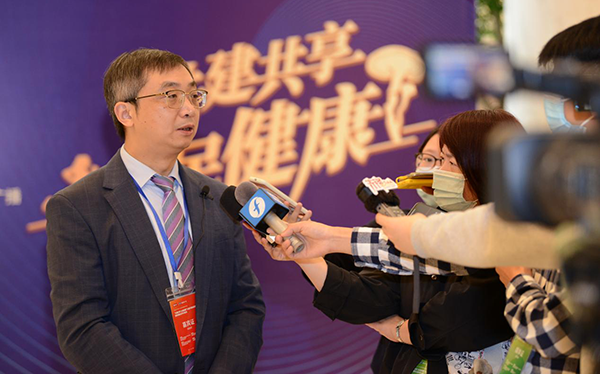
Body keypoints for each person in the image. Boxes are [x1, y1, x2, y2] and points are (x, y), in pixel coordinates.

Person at [46, 48, 265, 374]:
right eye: (171, 96)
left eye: (194, 96)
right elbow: (83, 327)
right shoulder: (77, 207)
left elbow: (246, 306)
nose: (189, 109)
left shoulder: (219, 198)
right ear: (126, 112)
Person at [257, 112, 521, 373]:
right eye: (430, 159)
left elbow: (454, 310)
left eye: (447, 161)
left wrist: (401, 331)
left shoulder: (510, 228)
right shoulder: (431, 228)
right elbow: (397, 257)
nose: (436, 172)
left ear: (483, 165)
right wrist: (313, 248)